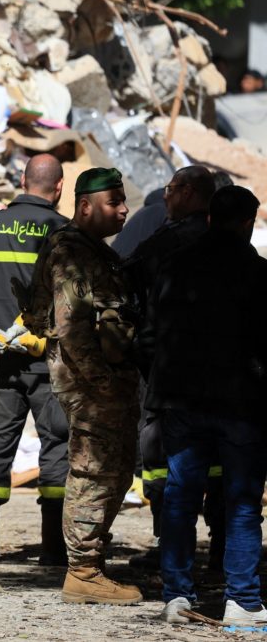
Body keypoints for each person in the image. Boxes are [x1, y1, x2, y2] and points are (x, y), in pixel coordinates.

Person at [137, 185, 267, 625]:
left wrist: (160, 382)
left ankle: (177, 596)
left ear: (210, 217)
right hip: (241, 405)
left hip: (181, 401)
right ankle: (243, 601)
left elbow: (149, 335)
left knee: (179, 496)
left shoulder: (174, 267)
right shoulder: (259, 275)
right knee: (243, 502)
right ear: (248, 222)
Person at [22, 167, 142, 604]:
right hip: (92, 385)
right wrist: (102, 382)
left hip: (107, 382)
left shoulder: (95, 251)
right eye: (114, 201)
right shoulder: (71, 252)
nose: (124, 209)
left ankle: (92, 563)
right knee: (93, 471)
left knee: (116, 471)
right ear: (86, 206)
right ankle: (83, 571)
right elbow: (71, 327)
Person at [0, 154, 70, 565]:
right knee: (58, 443)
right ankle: (54, 547)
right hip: (51, 362)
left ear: (22, 179)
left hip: (3, 358)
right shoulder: (63, 232)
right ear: (59, 188)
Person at [121, 166, 224, 571]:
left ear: (190, 193)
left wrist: (138, 350)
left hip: (168, 370)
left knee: (161, 455)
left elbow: (127, 286)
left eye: (171, 189)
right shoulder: (231, 245)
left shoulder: (166, 242)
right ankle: (221, 549)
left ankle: (171, 548)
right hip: (221, 374)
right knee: (219, 459)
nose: (165, 197)